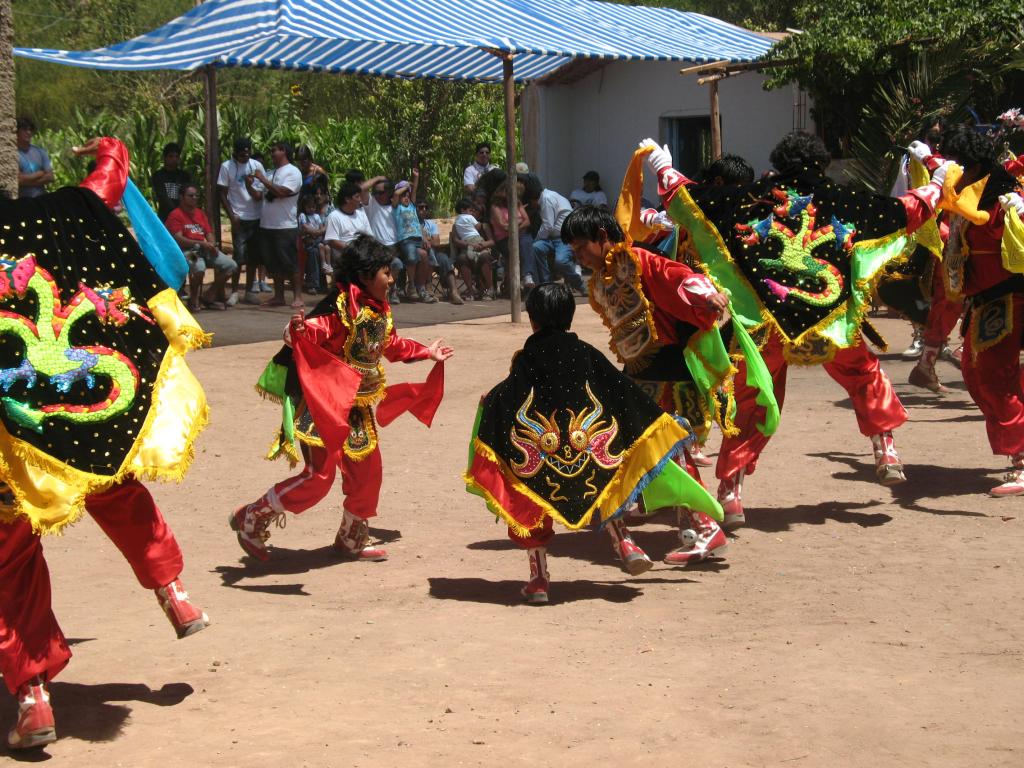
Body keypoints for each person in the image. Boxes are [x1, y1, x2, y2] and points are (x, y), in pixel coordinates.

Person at [0, 136, 211, 750]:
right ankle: (174, 591)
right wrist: (104, 150)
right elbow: (110, 176)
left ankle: (33, 694)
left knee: (10, 559)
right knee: (117, 487)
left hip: (15, 432)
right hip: (87, 400)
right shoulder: (61, 212)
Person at [645, 132, 947, 525]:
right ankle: (885, 448)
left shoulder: (751, 198)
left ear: (779, 162)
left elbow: (690, 200)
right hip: (832, 324)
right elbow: (905, 210)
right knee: (864, 375)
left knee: (751, 401)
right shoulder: (844, 199)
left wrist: (663, 167)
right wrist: (937, 182)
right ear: (821, 163)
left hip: (771, 326)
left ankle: (731, 491)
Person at [466, 283, 724, 602]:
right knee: (607, 480)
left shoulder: (527, 357)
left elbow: (512, 393)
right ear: (570, 318)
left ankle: (539, 580)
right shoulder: (585, 352)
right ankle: (625, 544)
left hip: (542, 453)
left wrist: (489, 401)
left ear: (532, 320)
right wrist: (655, 417)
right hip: (588, 444)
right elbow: (618, 387)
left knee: (531, 502)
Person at [560, 205, 770, 564]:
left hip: (670, 372)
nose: (578, 256)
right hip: (642, 371)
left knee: (665, 447)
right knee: (649, 445)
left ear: (602, 237)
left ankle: (705, 528)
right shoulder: (604, 278)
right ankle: (682, 518)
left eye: (581, 247)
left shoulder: (640, 261)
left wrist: (706, 296)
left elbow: (679, 276)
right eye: (574, 250)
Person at [230, 235, 454, 561]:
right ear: (365, 276)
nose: (392, 280)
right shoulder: (339, 309)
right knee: (318, 478)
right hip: (324, 406)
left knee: (368, 472)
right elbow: (311, 331)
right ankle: (251, 517)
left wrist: (425, 352)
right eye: (385, 273)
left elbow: (390, 345)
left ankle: (351, 540)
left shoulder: (377, 310)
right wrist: (298, 332)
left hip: (357, 408)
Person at [933, 124, 1024, 495]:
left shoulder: (1005, 196)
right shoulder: (966, 194)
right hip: (985, 298)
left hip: (1010, 296)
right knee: (978, 373)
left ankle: (1021, 459)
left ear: (972, 165)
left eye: (959, 164)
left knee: (989, 375)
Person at [165, 183, 239, 311]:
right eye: (190, 195)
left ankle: (209, 295)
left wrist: (212, 244)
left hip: (204, 249)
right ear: (182, 197)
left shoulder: (200, 213)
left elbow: (208, 233)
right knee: (199, 267)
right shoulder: (175, 215)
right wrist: (201, 244)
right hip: (187, 250)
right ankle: (194, 299)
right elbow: (179, 239)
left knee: (231, 265)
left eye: (196, 196)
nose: (194, 198)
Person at [253, 141, 303, 308]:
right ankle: (279, 296)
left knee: (290, 262)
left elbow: (282, 192)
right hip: (267, 225)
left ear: (284, 151)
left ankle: (298, 297)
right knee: (273, 263)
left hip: (285, 226)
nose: (272, 153)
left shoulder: (293, 172)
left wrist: (262, 179)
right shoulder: (272, 172)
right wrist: (249, 183)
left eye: (274, 150)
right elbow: (259, 195)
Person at [217, 136, 265, 306]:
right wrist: (231, 216)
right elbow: (222, 192)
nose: (245, 155)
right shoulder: (226, 167)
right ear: (235, 153)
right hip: (239, 217)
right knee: (239, 256)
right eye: (242, 153)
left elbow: (259, 195)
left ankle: (249, 291)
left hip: (256, 216)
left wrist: (249, 185)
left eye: (247, 152)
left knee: (253, 257)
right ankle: (235, 291)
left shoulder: (256, 167)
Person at [532, 180, 586, 295]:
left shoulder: (546, 199)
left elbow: (547, 226)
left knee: (561, 262)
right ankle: (547, 284)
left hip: (563, 237)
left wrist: (536, 238)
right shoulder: (547, 196)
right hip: (551, 238)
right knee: (535, 248)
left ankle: (579, 284)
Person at [392, 171, 437, 303]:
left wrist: (416, 178)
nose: (406, 197)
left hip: (417, 238)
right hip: (406, 239)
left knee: (425, 256)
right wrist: (407, 186)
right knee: (412, 258)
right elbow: (395, 194)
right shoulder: (397, 208)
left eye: (408, 195)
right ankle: (411, 285)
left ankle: (421, 288)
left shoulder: (412, 206)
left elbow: (414, 190)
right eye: (404, 196)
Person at [361, 176, 405, 304]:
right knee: (394, 263)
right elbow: (362, 188)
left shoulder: (396, 206)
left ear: (389, 193)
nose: (375, 195)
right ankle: (389, 290)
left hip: (396, 246)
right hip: (377, 248)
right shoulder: (372, 203)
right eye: (374, 191)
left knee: (402, 262)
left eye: (380, 192)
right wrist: (379, 178)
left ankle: (393, 289)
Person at [418, 199, 463, 305]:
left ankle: (454, 292)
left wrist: (426, 239)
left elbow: (437, 242)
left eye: (426, 208)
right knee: (427, 255)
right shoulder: (411, 224)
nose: (424, 210)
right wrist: (428, 239)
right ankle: (428, 285)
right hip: (419, 252)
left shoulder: (431, 224)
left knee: (444, 259)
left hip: (434, 252)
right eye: (420, 207)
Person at [451, 197, 496, 301]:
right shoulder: (458, 225)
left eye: (475, 211)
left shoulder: (484, 226)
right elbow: (456, 240)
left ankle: (490, 289)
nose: (473, 213)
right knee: (462, 258)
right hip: (468, 249)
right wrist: (469, 244)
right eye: (471, 210)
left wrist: (482, 244)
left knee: (484, 256)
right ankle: (471, 290)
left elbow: (492, 241)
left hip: (482, 248)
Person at [325, 180, 373, 259]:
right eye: (357, 197)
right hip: (346, 259)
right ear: (347, 199)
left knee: (395, 263)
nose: (360, 200)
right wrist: (355, 251)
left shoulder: (362, 214)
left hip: (365, 254)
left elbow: (370, 236)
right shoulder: (334, 216)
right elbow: (333, 241)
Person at [298, 192, 331, 293]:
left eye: (313, 207)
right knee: (313, 253)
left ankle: (322, 281)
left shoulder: (317, 216)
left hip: (316, 240)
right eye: (309, 207)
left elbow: (321, 229)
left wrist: (316, 232)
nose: (311, 209)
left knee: (323, 249)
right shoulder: (302, 216)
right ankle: (312, 284)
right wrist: (318, 232)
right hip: (308, 242)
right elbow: (306, 229)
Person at [151, 142, 192, 222]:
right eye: (171, 156)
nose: (174, 159)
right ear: (165, 158)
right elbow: (162, 197)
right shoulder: (158, 176)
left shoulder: (184, 176)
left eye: (176, 156)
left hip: (183, 216)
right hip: (165, 217)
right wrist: (175, 213)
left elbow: (187, 196)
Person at [15, 117, 54, 199]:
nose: (28, 132)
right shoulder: (13, 154)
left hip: (41, 200)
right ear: (17, 131)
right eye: (25, 129)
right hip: (22, 201)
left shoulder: (41, 152)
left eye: (30, 130)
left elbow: (50, 177)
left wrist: (26, 179)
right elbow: (17, 181)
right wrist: (39, 174)